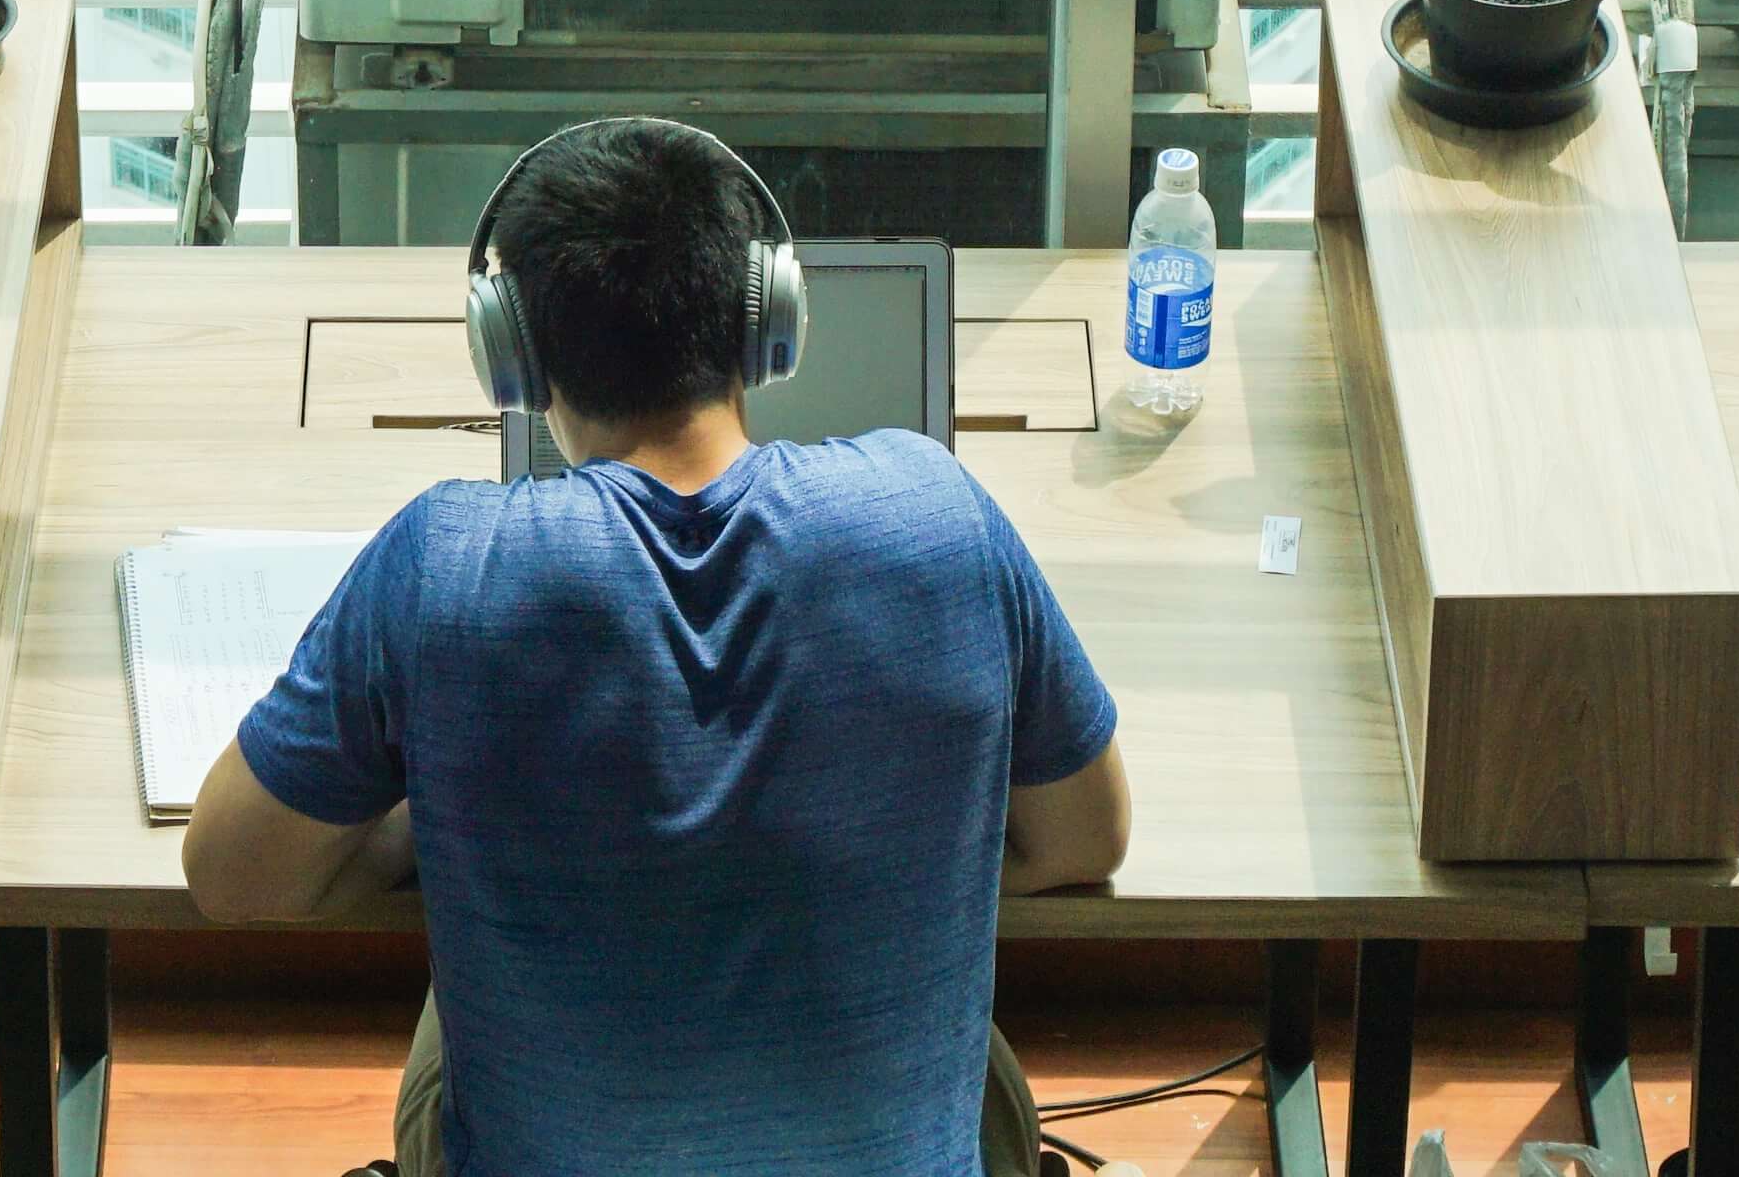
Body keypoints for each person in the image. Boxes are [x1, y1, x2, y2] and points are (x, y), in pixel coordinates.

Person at [184, 118, 1129, 1177]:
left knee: (469, 1000)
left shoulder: (446, 569)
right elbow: (1085, 836)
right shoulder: (936, 518)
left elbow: (232, 872)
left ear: (512, 351)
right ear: (767, 322)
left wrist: (431, 820)